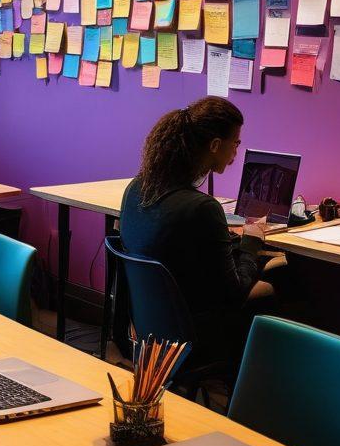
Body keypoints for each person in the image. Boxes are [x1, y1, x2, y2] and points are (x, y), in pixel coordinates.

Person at [119, 97, 283, 361]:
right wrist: (252, 242)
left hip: (148, 327)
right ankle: (254, 386)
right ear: (216, 145)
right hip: (194, 334)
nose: (236, 152)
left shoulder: (136, 189)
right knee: (282, 284)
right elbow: (234, 291)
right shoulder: (202, 208)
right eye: (236, 143)